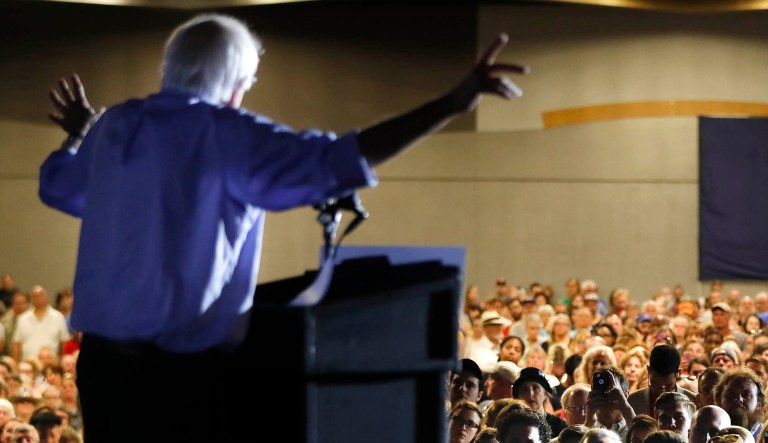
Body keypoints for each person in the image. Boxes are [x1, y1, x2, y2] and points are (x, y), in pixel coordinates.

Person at [38, 13, 528, 442]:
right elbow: (340, 158)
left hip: (101, 371)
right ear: (235, 83)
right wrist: (452, 103)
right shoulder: (225, 133)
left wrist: (82, 133)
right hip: (177, 378)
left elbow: (58, 186)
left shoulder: (115, 126)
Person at [627, 344, 696, 417]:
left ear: (678, 373)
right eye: (655, 384)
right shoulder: (632, 402)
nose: (662, 392)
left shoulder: (693, 402)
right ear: (648, 370)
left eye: (668, 386)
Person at [513, 367, 567, 437]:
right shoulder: (511, 426)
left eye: (536, 388)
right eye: (524, 389)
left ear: (545, 393)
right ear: (518, 396)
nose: (530, 393)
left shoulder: (559, 426)